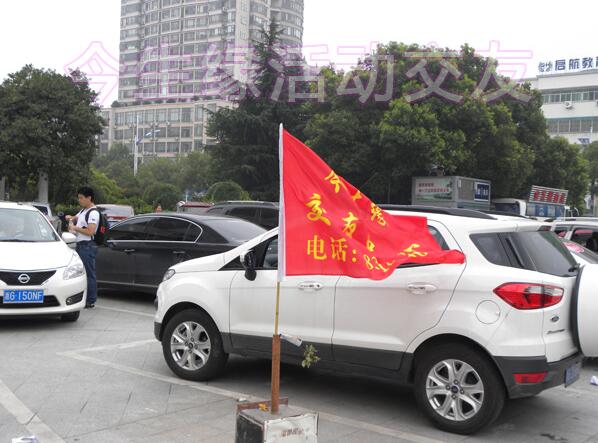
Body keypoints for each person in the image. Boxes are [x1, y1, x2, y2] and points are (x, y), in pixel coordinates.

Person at [65, 186, 99, 308]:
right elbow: (74, 217)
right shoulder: (84, 210)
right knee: (80, 273)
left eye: (81, 198)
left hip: (87, 246)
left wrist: (75, 228)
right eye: (78, 198)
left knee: (89, 274)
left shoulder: (93, 212)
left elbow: (90, 231)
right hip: (81, 245)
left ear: (89, 198)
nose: (79, 200)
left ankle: (90, 300)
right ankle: (82, 298)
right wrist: (70, 218)